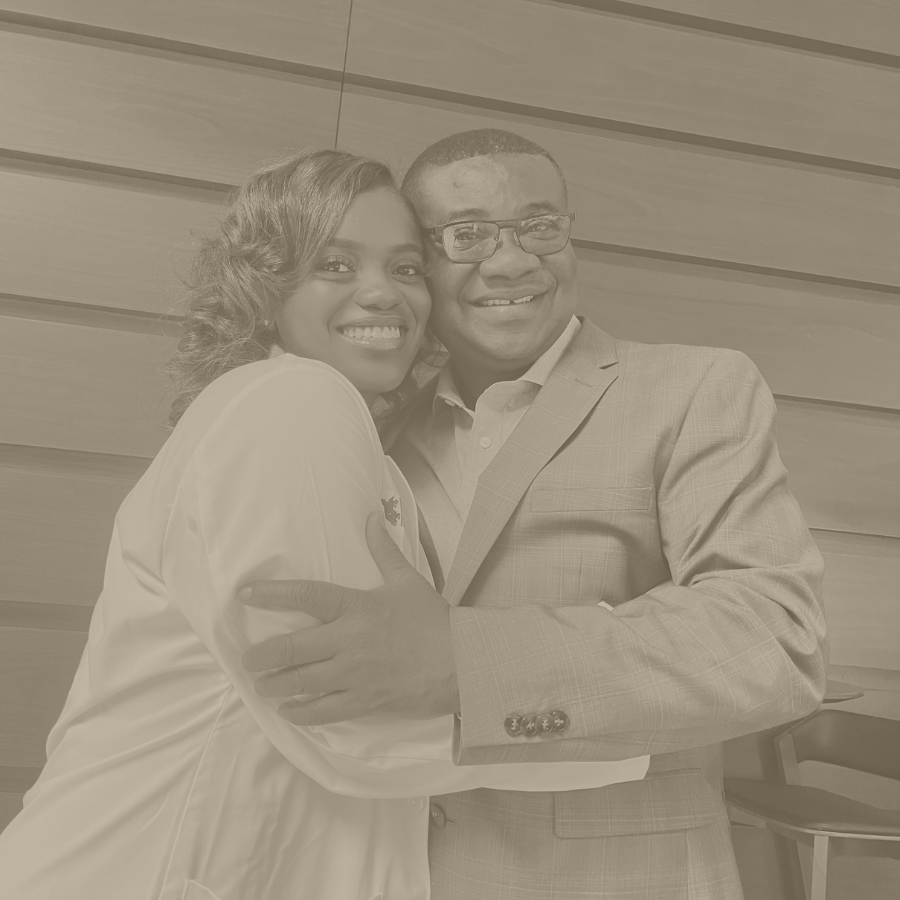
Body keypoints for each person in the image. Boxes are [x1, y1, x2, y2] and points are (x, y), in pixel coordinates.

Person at [0, 149, 649, 900]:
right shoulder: (294, 399)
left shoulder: (322, 429)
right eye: (336, 266)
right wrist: (624, 693)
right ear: (266, 288)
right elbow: (346, 716)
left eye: (407, 269)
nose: (383, 294)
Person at [240, 130, 829, 900]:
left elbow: (773, 642)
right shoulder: (371, 428)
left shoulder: (694, 388)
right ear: (420, 266)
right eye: (467, 235)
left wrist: (466, 663)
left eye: (540, 226)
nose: (513, 261)